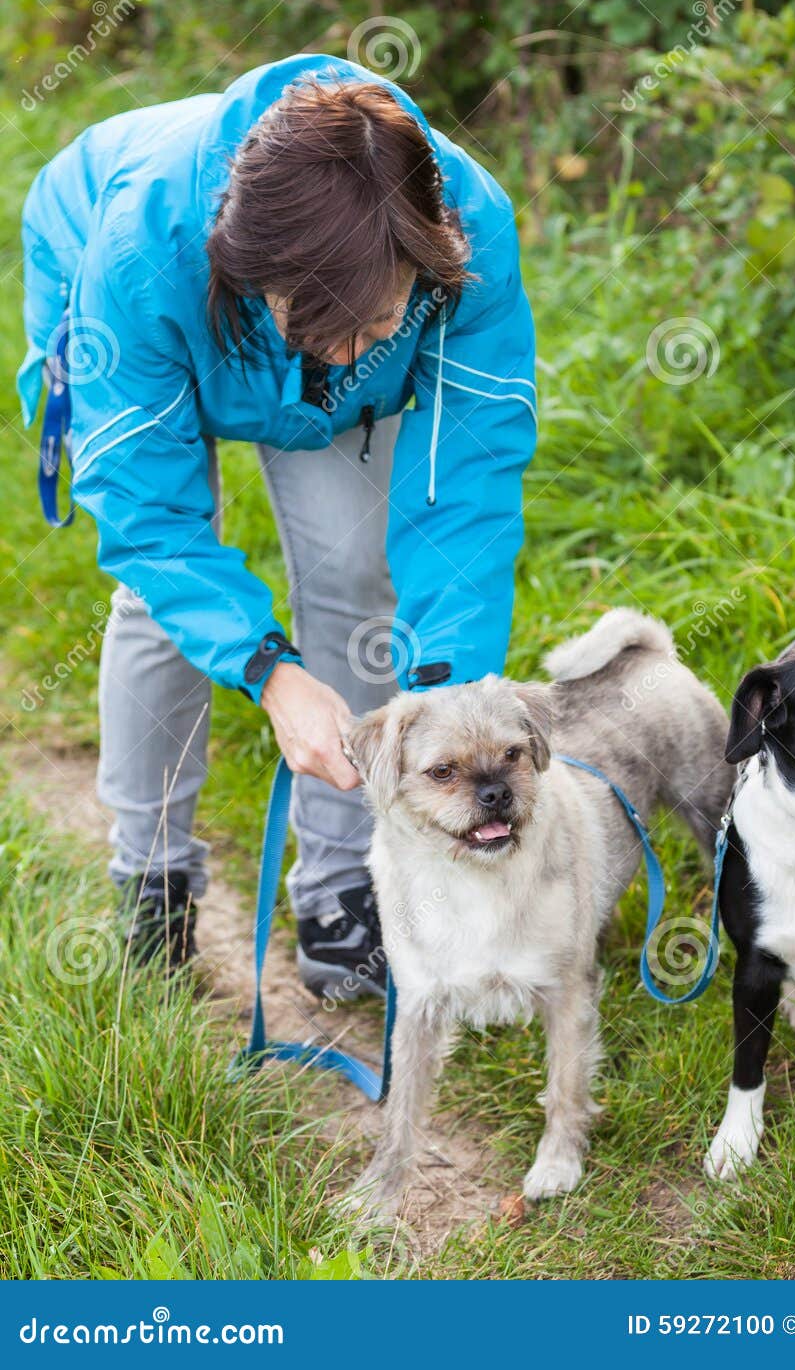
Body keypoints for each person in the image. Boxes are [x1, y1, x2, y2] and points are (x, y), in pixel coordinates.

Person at [19, 54, 537, 997]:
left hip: (292, 343)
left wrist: (447, 688)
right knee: (156, 597)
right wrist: (270, 672)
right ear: (256, 276)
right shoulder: (139, 252)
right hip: (145, 296)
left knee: (358, 576)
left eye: (381, 324)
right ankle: (154, 879)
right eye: (324, 330)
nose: (353, 353)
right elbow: (152, 518)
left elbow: (469, 471)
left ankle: (342, 895)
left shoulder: (468, 230)